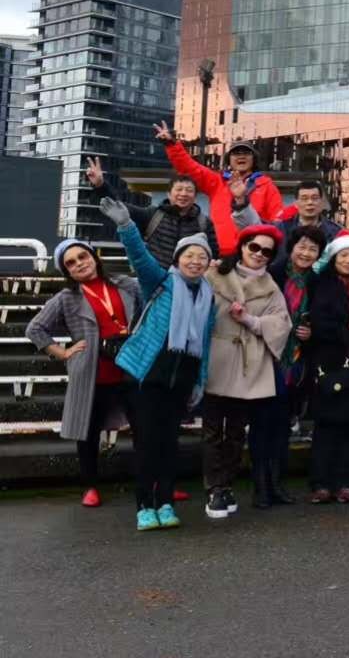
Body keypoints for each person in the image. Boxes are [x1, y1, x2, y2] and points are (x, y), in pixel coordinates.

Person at [107, 209, 218, 530]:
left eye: (202, 256)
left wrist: (199, 381)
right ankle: (144, 505)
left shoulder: (209, 297)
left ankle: (166, 502)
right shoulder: (161, 282)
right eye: (189, 255)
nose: (195, 261)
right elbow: (140, 258)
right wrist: (126, 225)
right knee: (147, 442)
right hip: (146, 377)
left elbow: (205, 342)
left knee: (170, 443)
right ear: (178, 258)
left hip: (180, 379)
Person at [179, 218, 289, 519]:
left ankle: (226, 485)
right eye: (254, 247)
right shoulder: (214, 273)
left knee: (237, 431)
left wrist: (250, 321)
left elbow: (281, 324)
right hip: (216, 358)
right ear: (242, 247)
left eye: (267, 251)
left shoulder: (271, 287)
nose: (259, 254)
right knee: (213, 429)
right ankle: (214, 488)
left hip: (248, 364)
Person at [28, 236, 142, 510]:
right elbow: (35, 328)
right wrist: (63, 352)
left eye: (83, 257)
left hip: (132, 368)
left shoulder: (125, 284)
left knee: (146, 430)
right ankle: (90, 486)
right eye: (71, 263)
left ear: (94, 257)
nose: (79, 264)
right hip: (94, 373)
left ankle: (155, 483)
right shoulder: (66, 298)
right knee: (88, 432)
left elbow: (151, 306)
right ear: (67, 271)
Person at [302, 232, 349, 504]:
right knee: (326, 425)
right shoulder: (326, 286)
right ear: (334, 258)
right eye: (343, 255)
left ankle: (344, 482)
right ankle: (321, 482)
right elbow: (320, 323)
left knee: (346, 426)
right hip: (329, 361)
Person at [155, 122, 284, 255]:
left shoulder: (266, 186)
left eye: (246, 153)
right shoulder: (218, 182)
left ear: (254, 159)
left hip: (252, 255)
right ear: (229, 160)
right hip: (219, 254)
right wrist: (171, 144)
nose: (241, 156)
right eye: (236, 153)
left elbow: (278, 224)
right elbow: (189, 167)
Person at [269, 225, 327, 501]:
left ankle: (276, 483)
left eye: (313, 249)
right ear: (291, 248)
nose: (306, 253)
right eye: (301, 247)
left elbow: (324, 317)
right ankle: (264, 484)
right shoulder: (274, 274)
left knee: (283, 422)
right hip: (269, 356)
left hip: (297, 362)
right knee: (267, 422)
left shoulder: (318, 281)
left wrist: (311, 332)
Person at [85, 156, 214, 269]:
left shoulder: (204, 223)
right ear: (169, 194)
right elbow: (120, 206)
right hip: (157, 281)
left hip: (190, 283)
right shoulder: (153, 215)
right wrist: (101, 185)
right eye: (179, 189)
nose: (184, 194)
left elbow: (214, 254)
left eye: (189, 190)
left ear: (195, 196)